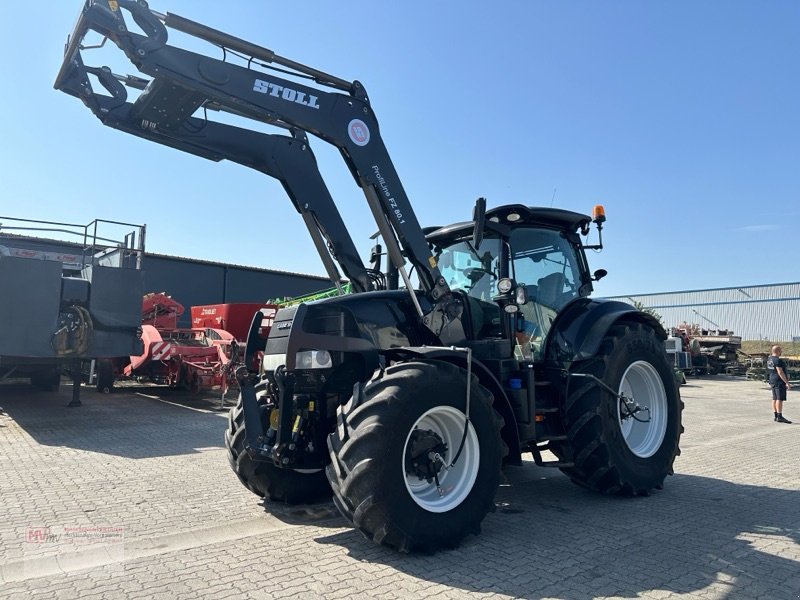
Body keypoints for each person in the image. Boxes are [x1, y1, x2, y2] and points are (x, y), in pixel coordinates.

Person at [766, 345, 792, 423]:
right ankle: (779, 416)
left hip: (772, 380)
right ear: (778, 351)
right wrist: (786, 382)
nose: (781, 352)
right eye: (780, 350)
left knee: (774, 398)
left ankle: (776, 415)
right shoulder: (778, 360)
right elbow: (780, 372)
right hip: (778, 381)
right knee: (779, 399)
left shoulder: (770, 359)